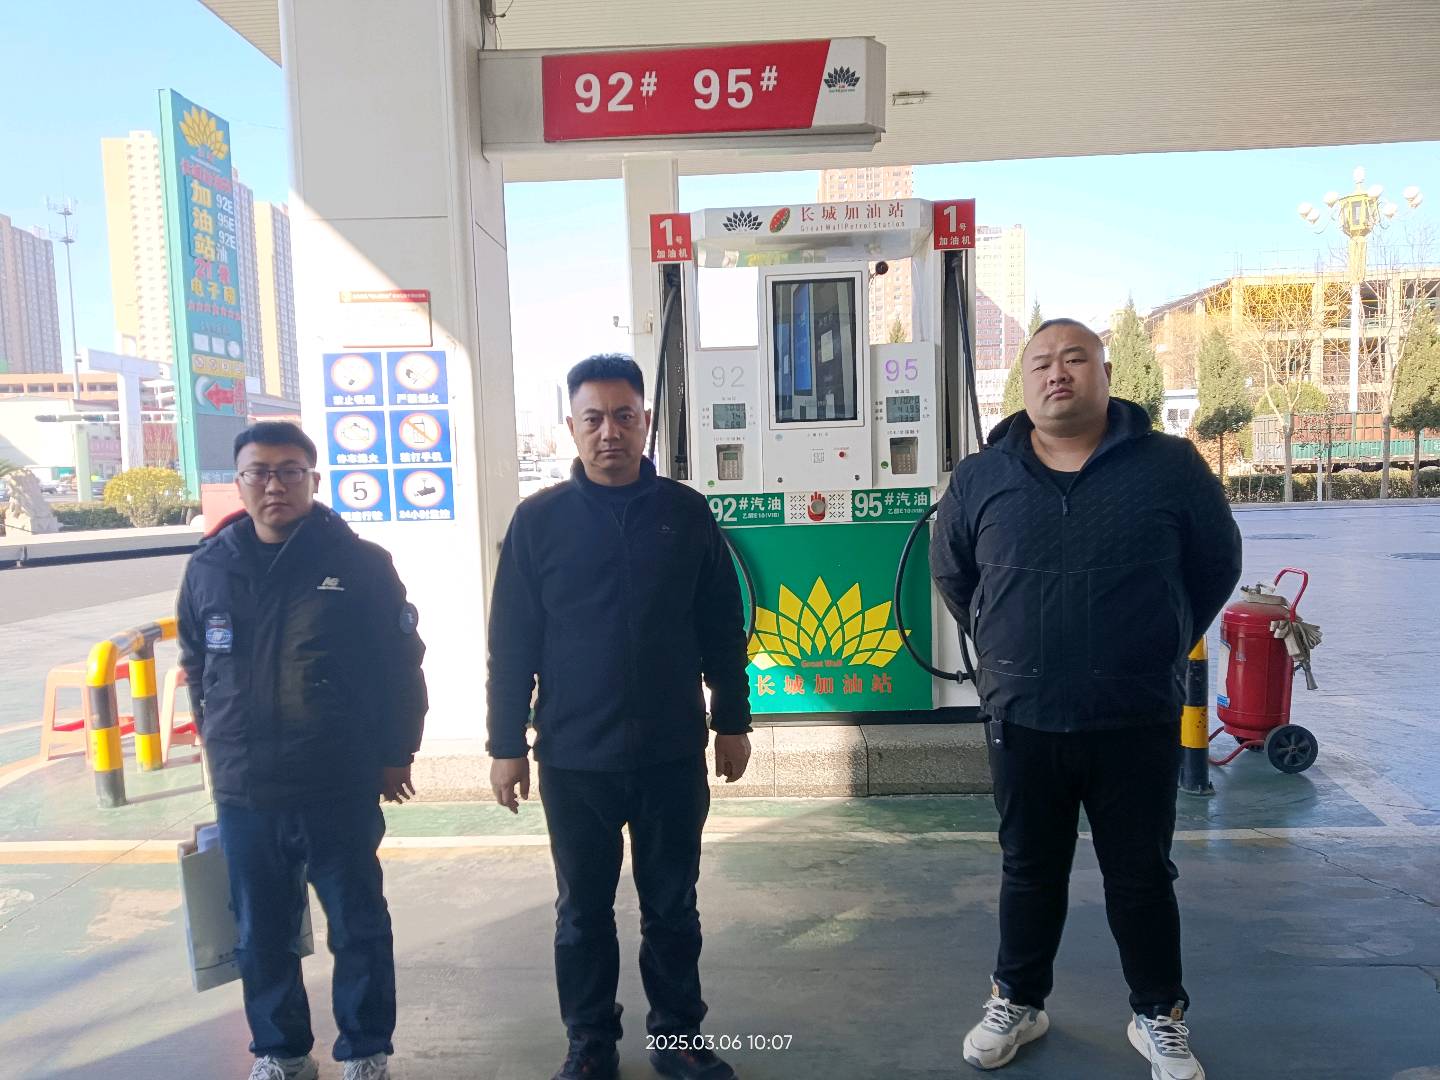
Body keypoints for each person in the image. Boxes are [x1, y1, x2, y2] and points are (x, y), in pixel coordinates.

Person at [930, 320, 1241, 1079]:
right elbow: (954, 574)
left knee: (1141, 874)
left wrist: (1160, 641)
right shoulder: (982, 476)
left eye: (1074, 358)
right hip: (1023, 715)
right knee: (1028, 868)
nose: (1056, 373)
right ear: (1024, 383)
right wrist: (1009, 649)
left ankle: (1158, 1014)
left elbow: (1216, 564)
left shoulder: (1168, 466)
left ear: (1105, 373)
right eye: (1041, 362)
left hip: (1134, 716)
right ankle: (1018, 999)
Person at [486, 354, 753, 1080]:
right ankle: (590, 1043)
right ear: (571, 427)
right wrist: (506, 742)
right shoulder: (539, 522)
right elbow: (512, 641)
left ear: (646, 422)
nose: (610, 431)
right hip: (575, 759)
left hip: (671, 753)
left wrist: (732, 720)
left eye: (624, 416)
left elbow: (721, 625)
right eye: (594, 418)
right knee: (582, 913)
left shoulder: (684, 513)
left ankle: (677, 1039)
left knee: (672, 909)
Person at [177, 422, 427, 1080]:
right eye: (259, 472)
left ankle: (365, 1050)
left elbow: (400, 664)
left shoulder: (359, 564)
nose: (274, 485)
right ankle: (282, 1052)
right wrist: (217, 742)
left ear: (313, 480)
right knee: (260, 931)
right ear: (239, 483)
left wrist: (397, 751)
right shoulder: (209, 567)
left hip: (337, 782)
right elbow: (197, 664)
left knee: (357, 923)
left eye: (290, 471)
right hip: (247, 790)